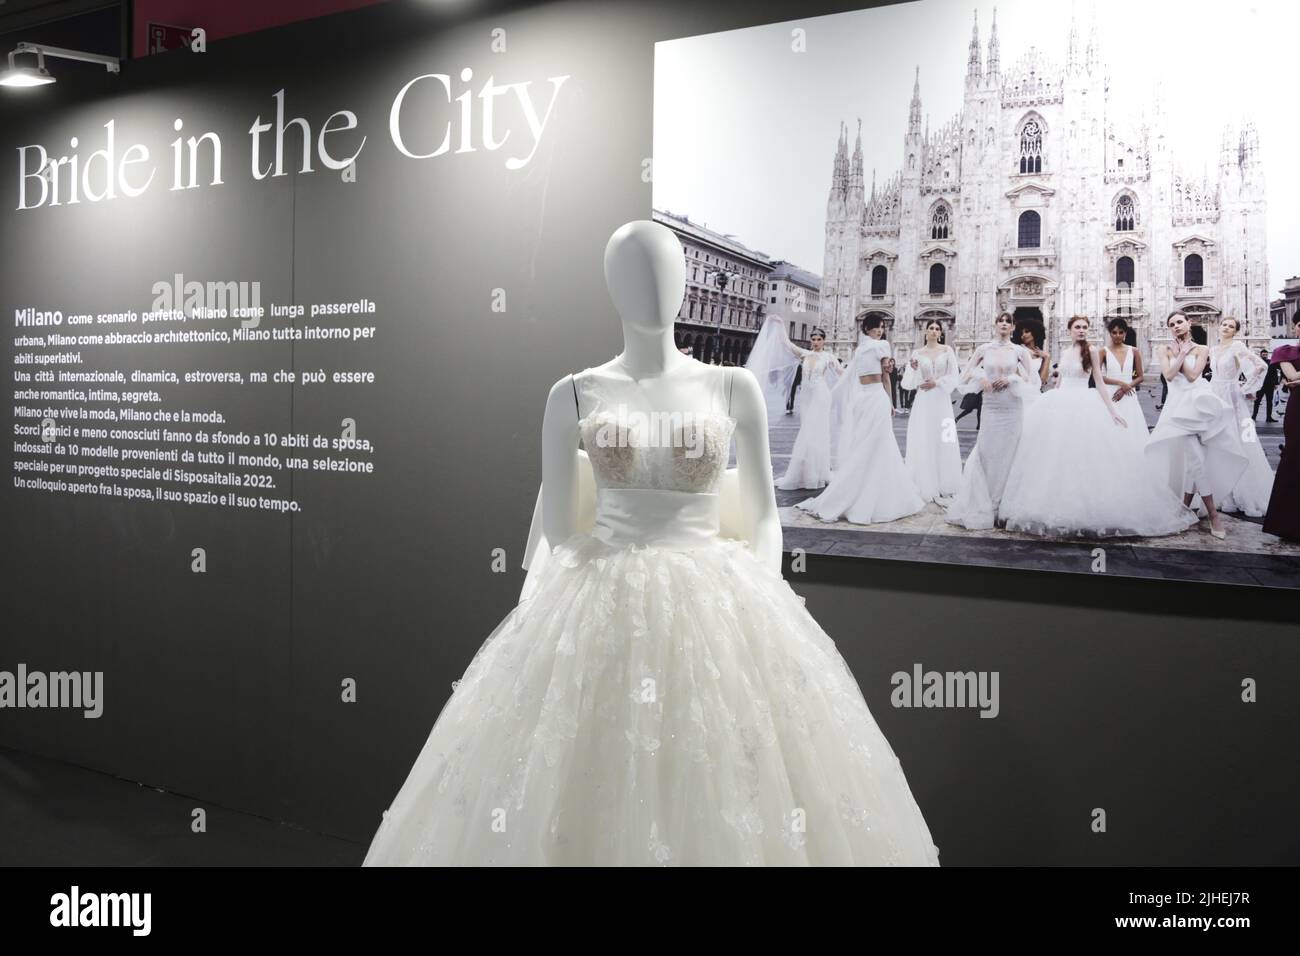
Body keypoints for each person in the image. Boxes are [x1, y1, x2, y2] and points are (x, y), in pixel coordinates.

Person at [363, 220, 941, 866]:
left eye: (666, 272)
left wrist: (762, 590)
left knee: (725, 770)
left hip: (720, 595)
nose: (654, 289)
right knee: (601, 772)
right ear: (612, 287)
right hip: (604, 590)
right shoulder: (573, 394)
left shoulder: (732, 387)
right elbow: (558, 526)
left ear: (688, 279)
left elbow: (765, 515)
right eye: (634, 274)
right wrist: (580, 597)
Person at [999, 315, 1197, 538]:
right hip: (1059, 403)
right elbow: (1060, 379)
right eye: (1077, 327)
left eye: (1085, 327)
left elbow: (1100, 382)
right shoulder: (1065, 352)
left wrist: (1113, 412)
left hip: (1083, 402)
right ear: (1070, 330)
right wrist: (1053, 392)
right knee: (1055, 455)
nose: (1081, 331)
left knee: (1083, 456)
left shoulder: (1092, 351)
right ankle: (1056, 503)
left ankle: (1083, 506)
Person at [796, 316, 926, 525]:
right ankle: (864, 491)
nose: (881, 330)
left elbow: (885, 375)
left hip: (872, 397)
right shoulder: (870, 348)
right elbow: (874, 375)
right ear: (867, 328)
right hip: (866, 398)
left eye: (882, 327)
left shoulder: (872, 347)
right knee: (869, 444)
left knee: (875, 444)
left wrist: (890, 401)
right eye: (877, 327)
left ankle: (865, 490)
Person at [1146, 310, 1247, 540]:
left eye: (1180, 322)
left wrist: (1182, 353)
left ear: (1188, 322)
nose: (1176, 326)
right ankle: (1213, 515)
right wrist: (1180, 355)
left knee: (1197, 460)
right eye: (1172, 324)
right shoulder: (1164, 349)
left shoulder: (1202, 349)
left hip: (1200, 406)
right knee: (1197, 459)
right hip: (1177, 409)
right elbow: (1169, 375)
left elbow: (1193, 376)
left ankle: (1184, 507)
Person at [944, 312, 1038, 530]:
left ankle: (1004, 505)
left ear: (1013, 328)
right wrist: (981, 378)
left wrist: (1013, 378)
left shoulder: (1019, 351)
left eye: (1008, 322)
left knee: (1010, 452)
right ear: (995, 325)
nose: (1004, 324)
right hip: (991, 406)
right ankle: (986, 503)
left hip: (1012, 407)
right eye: (1001, 321)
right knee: (987, 451)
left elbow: (1032, 379)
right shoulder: (984, 349)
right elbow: (964, 375)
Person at [746, 317, 844, 490]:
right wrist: (781, 325)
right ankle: (809, 471)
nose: (815, 342)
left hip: (821, 396)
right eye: (813, 339)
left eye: (819, 339)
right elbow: (786, 343)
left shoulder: (829, 357)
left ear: (824, 341)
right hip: (806, 397)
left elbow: (841, 373)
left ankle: (816, 473)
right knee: (808, 430)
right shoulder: (805, 354)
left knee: (813, 432)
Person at [1208, 317, 1273, 516]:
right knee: (1217, 443)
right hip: (1214, 395)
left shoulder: (1237, 347)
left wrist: (1245, 388)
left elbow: (1260, 366)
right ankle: (1224, 494)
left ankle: (1245, 492)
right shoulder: (1213, 349)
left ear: (1236, 331)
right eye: (1224, 325)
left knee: (1240, 441)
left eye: (1230, 326)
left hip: (1232, 397)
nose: (1226, 328)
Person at [901, 320, 962, 502]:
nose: (934, 331)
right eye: (931, 328)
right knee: (924, 438)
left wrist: (937, 382)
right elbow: (908, 383)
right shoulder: (917, 353)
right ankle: (924, 482)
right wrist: (912, 370)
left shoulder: (947, 350)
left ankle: (947, 482)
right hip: (924, 400)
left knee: (945, 438)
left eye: (937, 329)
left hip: (942, 399)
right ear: (925, 332)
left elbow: (954, 376)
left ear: (941, 333)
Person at [1263, 321, 1300, 540]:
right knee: (1294, 458)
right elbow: (1292, 377)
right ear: (1296, 326)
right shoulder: (1285, 351)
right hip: (1298, 409)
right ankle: (1288, 523)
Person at [1100, 317, 1148, 451]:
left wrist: (1126, 387)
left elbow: (1140, 376)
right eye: (1114, 332)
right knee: (1111, 427)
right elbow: (1098, 376)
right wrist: (1121, 383)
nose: (1117, 335)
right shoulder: (1103, 351)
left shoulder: (1134, 351)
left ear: (1125, 333)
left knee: (1131, 426)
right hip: (1110, 394)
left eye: (1121, 332)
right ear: (1109, 334)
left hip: (1128, 395)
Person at [1254, 350, 1279, 423]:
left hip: (1270, 385)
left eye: (1266, 354)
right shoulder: (1257, 362)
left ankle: (1269, 417)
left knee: (1269, 402)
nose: (1265, 355)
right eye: (1263, 354)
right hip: (1260, 385)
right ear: (1260, 355)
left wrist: (1276, 383)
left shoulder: (1271, 362)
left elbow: (1275, 373)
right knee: (1257, 401)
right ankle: (1254, 416)